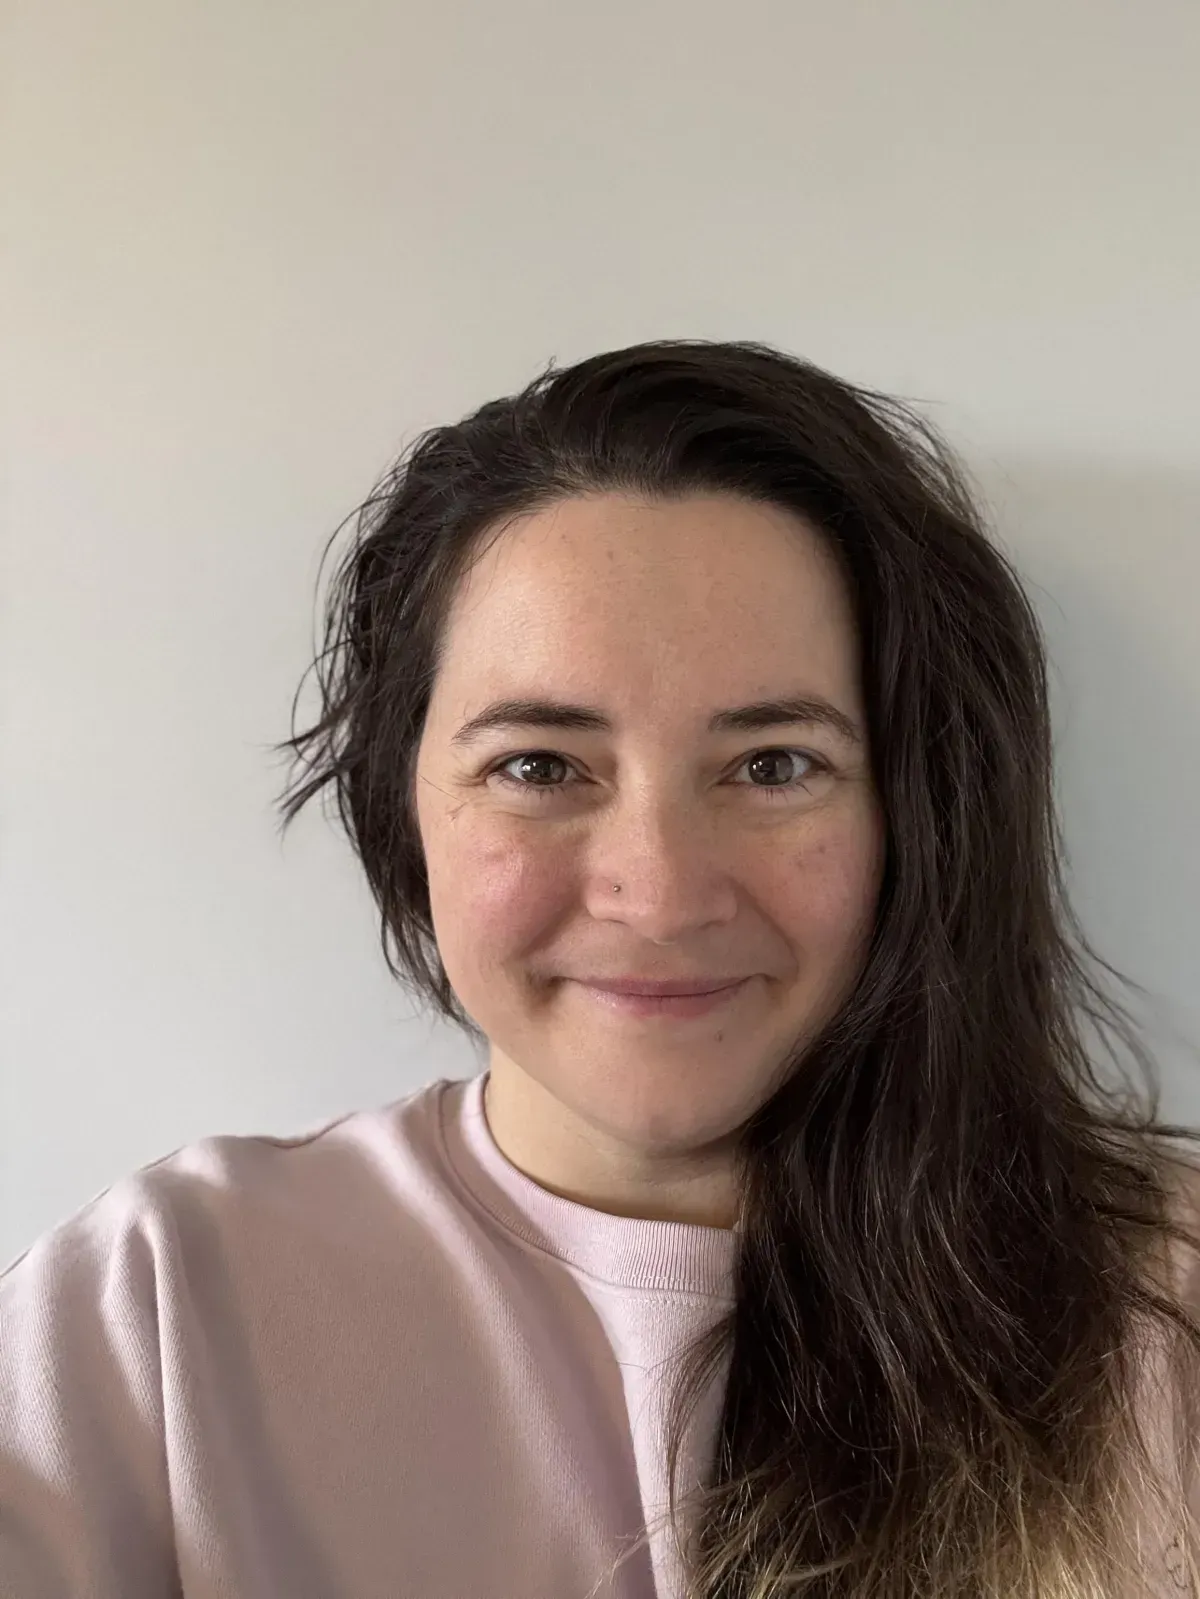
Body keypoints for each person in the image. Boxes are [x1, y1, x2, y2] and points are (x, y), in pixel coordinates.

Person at [2, 339, 1199, 1599]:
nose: (663, 893)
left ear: (918, 811)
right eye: (538, 765)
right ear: (399, 802)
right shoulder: (158, 1312)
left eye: (775, 764)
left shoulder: (1164, 1311)